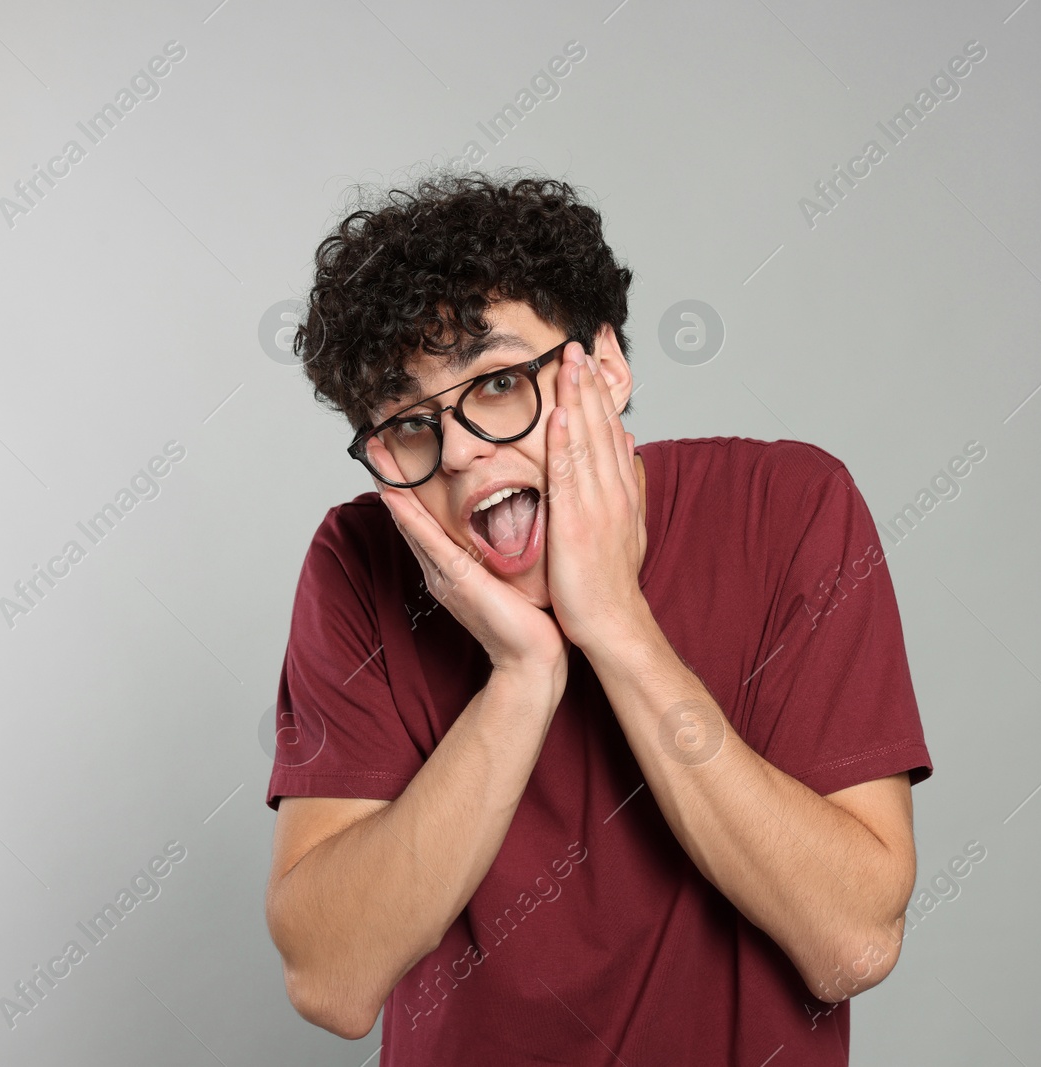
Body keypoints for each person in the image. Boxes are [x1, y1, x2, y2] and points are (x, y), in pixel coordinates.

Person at [263, 171, 933, 1065]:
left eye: (498, 381)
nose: (459, 451)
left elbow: (852, 938)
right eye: (409, 424)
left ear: (607, 366)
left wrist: (616, 625)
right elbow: (331, 980)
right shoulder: (359, 562)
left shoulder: (790, 508)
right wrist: (523, 675)